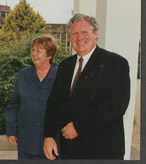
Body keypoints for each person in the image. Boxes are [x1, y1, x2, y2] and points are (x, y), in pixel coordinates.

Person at [43, 14, 130, 160]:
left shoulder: (116, 63)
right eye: (74, 33)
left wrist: (79, 127)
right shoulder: (65, 66)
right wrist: (49, 136)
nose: (79, 37)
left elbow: (117, 105)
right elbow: (54, 104)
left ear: (95, 33)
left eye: (84, 32)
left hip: (103, 151)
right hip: (70, 150)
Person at [6, 34, 60, 159]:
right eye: (33, 50)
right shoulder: (23, 75)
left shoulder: (60, 76)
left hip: (52, 141)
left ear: (49, 55)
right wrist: (11, 131)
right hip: (26, 142)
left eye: (39, 51)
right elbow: (13, 105)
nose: (34, 54)